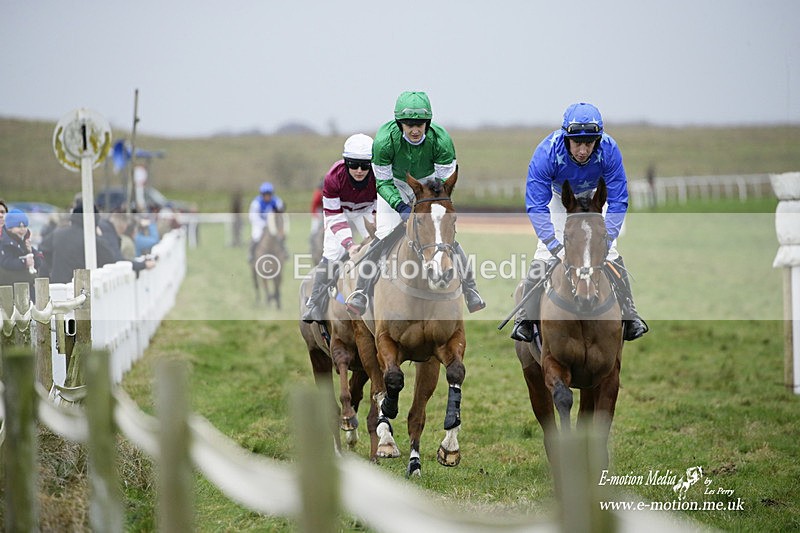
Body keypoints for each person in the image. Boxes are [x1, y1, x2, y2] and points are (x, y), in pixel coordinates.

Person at [510, 102, 648, 343]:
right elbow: (536, 205)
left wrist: (607, 239)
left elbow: (618, 200)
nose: (583, 150)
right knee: (544, 253)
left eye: (589, 143)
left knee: (611, 252)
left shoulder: (609, 150)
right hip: (560, 198)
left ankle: (630, 314)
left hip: (595, 197)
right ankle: (524, 319)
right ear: (566, 139)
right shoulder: (546, 153)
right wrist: (553, 244)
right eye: (577, 143)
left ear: (598, 141)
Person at [346, 91, 485, 315]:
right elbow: (382, 182)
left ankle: (470, 289)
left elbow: (445, 185)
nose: (414, 130)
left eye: (419, 124)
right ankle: (361, 291)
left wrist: (431, 203)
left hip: (429, 187)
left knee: (442, 236)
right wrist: (401, 207)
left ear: (427, 123)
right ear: (399, 123)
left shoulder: (442, 141)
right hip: (394, 185)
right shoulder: (383, 141)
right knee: (382, 235)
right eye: (409, 124)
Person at [302, 134, 377, 323]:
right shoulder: (333, 178)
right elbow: (334, 216)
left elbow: (380, 206)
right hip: (340, 211)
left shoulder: (379, 174)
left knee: (380, 244)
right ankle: (314, 303)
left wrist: (378, 226)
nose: (359, 170)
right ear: (345, 162)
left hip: (366, 209)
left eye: (365, 166)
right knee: (333, 252)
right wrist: (350, 244)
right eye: (354, 164)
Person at [47, 203, 120, 284]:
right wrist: (100, 236)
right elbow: (110, 260)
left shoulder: (57, 234)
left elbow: (43, 252)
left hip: (58, 286)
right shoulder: (93, 240)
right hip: (83, 286)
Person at [0, 209, 44, 293]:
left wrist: (30, 251)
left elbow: (39, 262)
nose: (22, 229)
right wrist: (24, 262)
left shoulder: (24, 242)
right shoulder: (4, 243)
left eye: (25, 226)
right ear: (9, 228)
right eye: (19, 226)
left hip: (27, 290)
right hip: (11, 290)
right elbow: (6, 262)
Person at [248, 181, 286, 262]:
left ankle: (284, 252)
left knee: (279, 237)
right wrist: (263, 224)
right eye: (266, 194)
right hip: (260, 224)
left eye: (269, 194)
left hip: (273, 225)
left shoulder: (276, 201)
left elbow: (280, 212)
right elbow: (253, 217)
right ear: (262, 194)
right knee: (256, 237)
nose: (267, 196)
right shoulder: (256, 203)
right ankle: (251, 254)